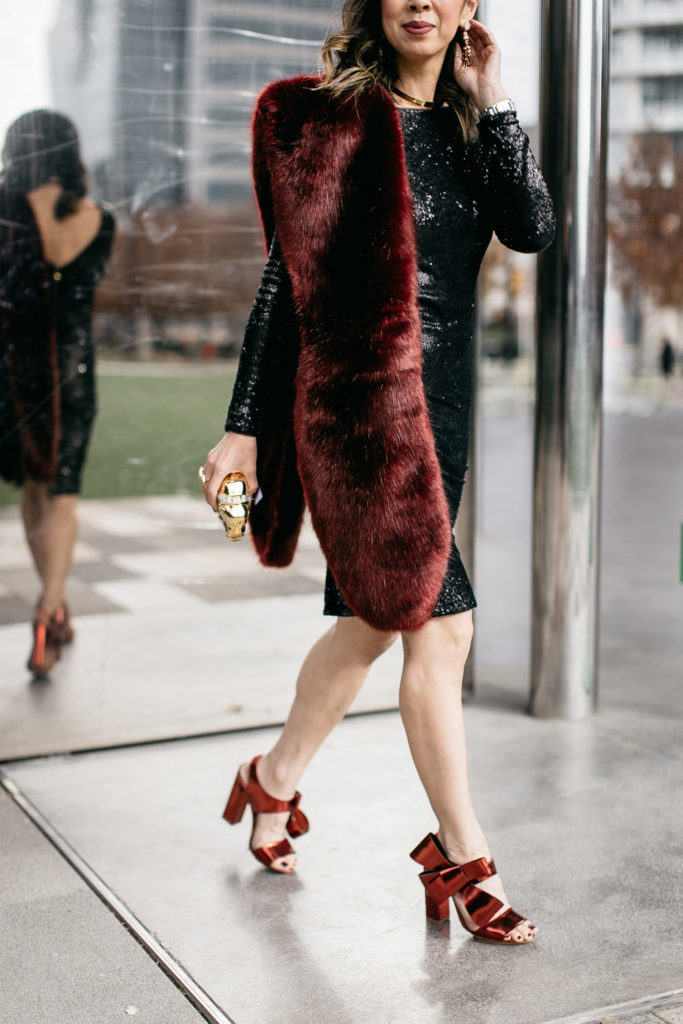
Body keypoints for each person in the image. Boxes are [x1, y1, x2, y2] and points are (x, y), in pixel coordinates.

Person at [201, 0, 555, 945]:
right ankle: (461, 853)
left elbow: (532, 230)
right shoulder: (318, 119)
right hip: (357, 409)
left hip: (441, 407)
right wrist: (242, 429)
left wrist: (496, 104)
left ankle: (269, 783)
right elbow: (284, 281)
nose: (422, 0)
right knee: (443, 629)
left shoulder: (471, 126)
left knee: (370, 624)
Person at [0, 110, 115, 676]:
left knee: (34, 492)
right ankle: (52, 612)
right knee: (65, 492)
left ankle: (50, 606)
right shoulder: (101, 219)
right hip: (76, 372)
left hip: (17, 373)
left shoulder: (7, 213)